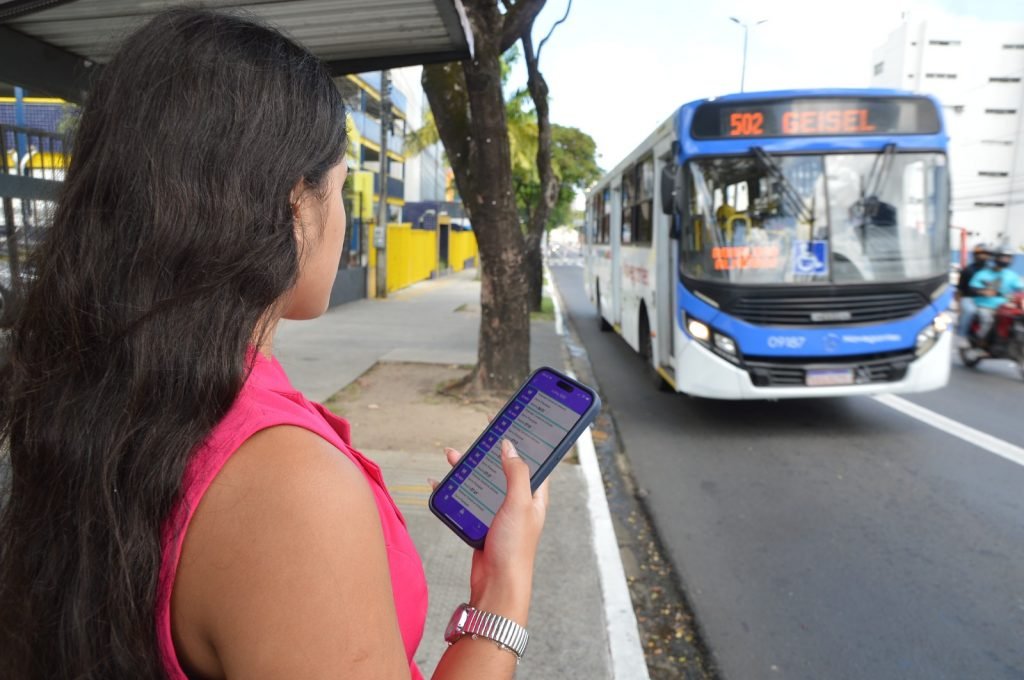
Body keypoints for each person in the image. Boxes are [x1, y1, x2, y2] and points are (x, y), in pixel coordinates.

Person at [0, 10, 547, 679]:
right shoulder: (291, 493)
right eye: (343, 187)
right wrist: (502, 596)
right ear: (295, 206)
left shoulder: (95, 386)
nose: (343, 217)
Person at [968, 248, 1024, 343]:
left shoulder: (1012, 275)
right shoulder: (982, 274)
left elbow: (1020, 287)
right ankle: (979, 340)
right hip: (985, 305)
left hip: (1004, 306)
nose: (1006, 260)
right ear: (996, 258)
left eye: (1008, 258)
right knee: (987, 320)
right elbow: (972, 287)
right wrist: (983, 291)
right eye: (1003, 257)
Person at [956, 243, 990, 345]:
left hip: (986, 298)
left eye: (985, 254)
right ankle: (961, 335)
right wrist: (959, 305)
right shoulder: (968, 270)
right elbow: (960, 289)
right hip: (969, 298)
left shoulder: (990, 270)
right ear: (975, 255)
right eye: (980, 254)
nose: (983, 256)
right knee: (970, 311)